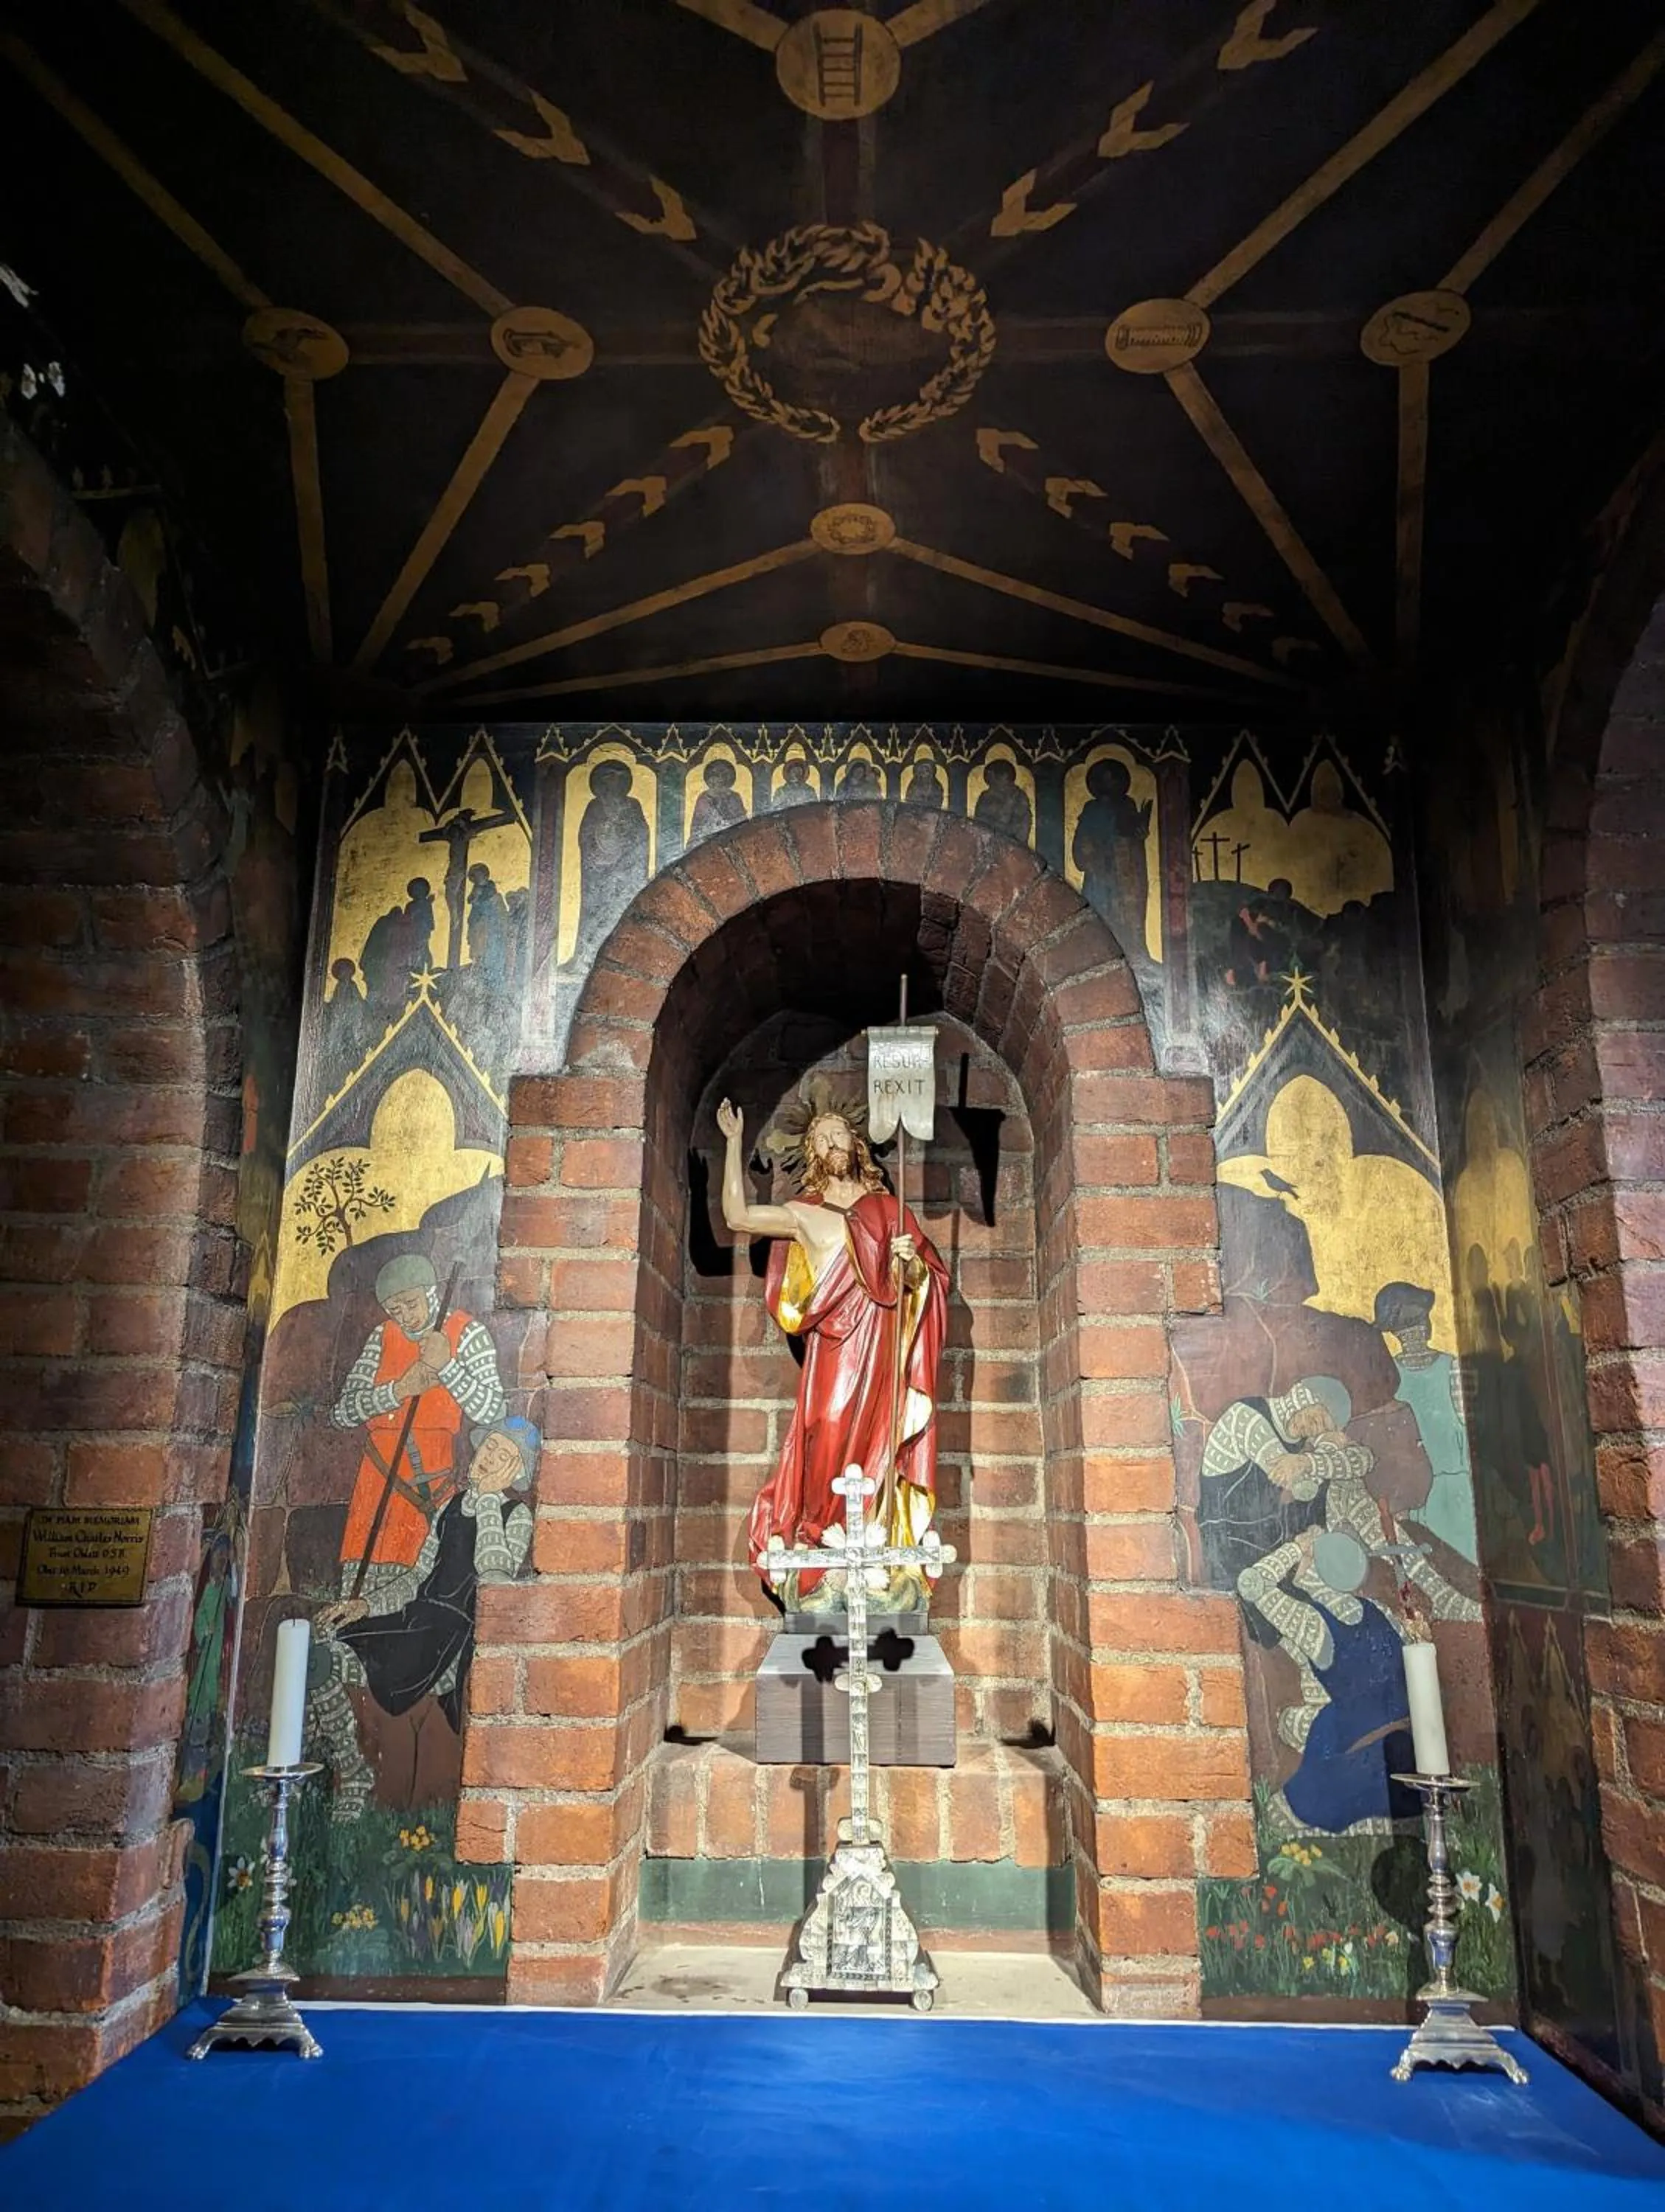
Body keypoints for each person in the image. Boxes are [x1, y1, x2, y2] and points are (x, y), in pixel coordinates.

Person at [717, 1085, 948, 1610]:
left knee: (882, 1446)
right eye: (820, 1138)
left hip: (886, 1348)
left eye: (838, 1132)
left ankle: (878, 1558)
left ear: (856, 1143)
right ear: (813, 1156)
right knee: (827, 1431)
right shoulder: (804, 1213)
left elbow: (929, 1282)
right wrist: (733, 1145)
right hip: (834, 1352)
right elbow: (737, 1216)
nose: (831, 1141)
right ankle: (820, 1547)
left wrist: (910, 1264)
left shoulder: (892, 1209)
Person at [310, 1416, 538, 1820]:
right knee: (319, 1654)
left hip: (450, 1638)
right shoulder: (450, 1507)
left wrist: (486, 1501)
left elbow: (494, 1575)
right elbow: (417, 1577)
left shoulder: (516, 1515)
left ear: (516, 1472)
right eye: (491, 1446)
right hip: (416, 1619)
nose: (490, 1457)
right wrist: (365, 1605)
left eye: (505, 1455)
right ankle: (352, 1766)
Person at [330, 1253, 507, 1600]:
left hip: (432, 1485)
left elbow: (492, 1411)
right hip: (376, 1485)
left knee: (421, 1593)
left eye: (410, 1304)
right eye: (395, 1310)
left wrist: (447, 1366)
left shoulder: (468, 1333)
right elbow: (342, 1413)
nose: (405, 1317)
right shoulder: (382, 1337)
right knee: (358, 1597)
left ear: (430, 1293)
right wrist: (398, 1391)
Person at [1374, 1281, 1478, 1562]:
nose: (1415, 1332)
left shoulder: (1450, 1368)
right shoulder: (1390, 1376)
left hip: (1453, 1493)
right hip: (1415, 1497)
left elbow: (1470, 1432)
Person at [1073, 757, 1150, 961]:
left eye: (1113, 779)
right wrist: (1095, 855)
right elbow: (1081, 845)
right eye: (1105, 780)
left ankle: (1132, 955)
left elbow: (1133, 837)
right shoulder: (1091, 809)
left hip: (1126, 874)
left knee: (1128, 916)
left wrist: (1139, 833)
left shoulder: (1127, 805)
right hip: (1100, 873)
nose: (1110, 784)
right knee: (1100, 916)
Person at [573, 759, 650, 960]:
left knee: (623, 911)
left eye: (619, 778)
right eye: (610, 778)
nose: (614, 783)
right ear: (602, 783)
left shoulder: (633, 805)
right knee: (595, 913)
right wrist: (603, 835)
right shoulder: (595, 806)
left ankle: (629, 956)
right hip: (599, 873)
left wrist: (623, 834)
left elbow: (642, 834)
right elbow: (585, 836)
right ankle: (586, 958)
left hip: (626, 870)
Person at [465, 861, 511, 987]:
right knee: (480, 958)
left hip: (492, 935)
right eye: (474, 877)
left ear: (485, 876)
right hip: (479, 932)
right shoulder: (476, 896)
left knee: (492, 959)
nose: (477, 880)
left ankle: (492, 982)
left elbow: (501, 918)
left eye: (479, 876)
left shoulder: (494, 897)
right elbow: (472, 910)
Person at [973, 758, 1032, 844]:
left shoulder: (1018, 796)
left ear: (1003, 776)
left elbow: (1020, 827)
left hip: (1012, 844)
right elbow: (980, 823)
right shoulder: (986, 796)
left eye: (992, 778)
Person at [689, 757, 748, 841]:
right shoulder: (704, 798)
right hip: (708, 838)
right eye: (716, 776)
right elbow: (698, 825)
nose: (720, 779)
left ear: (728, 778)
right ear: (711, 779)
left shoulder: (735, 797)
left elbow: (742, 822)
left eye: (724, 775)